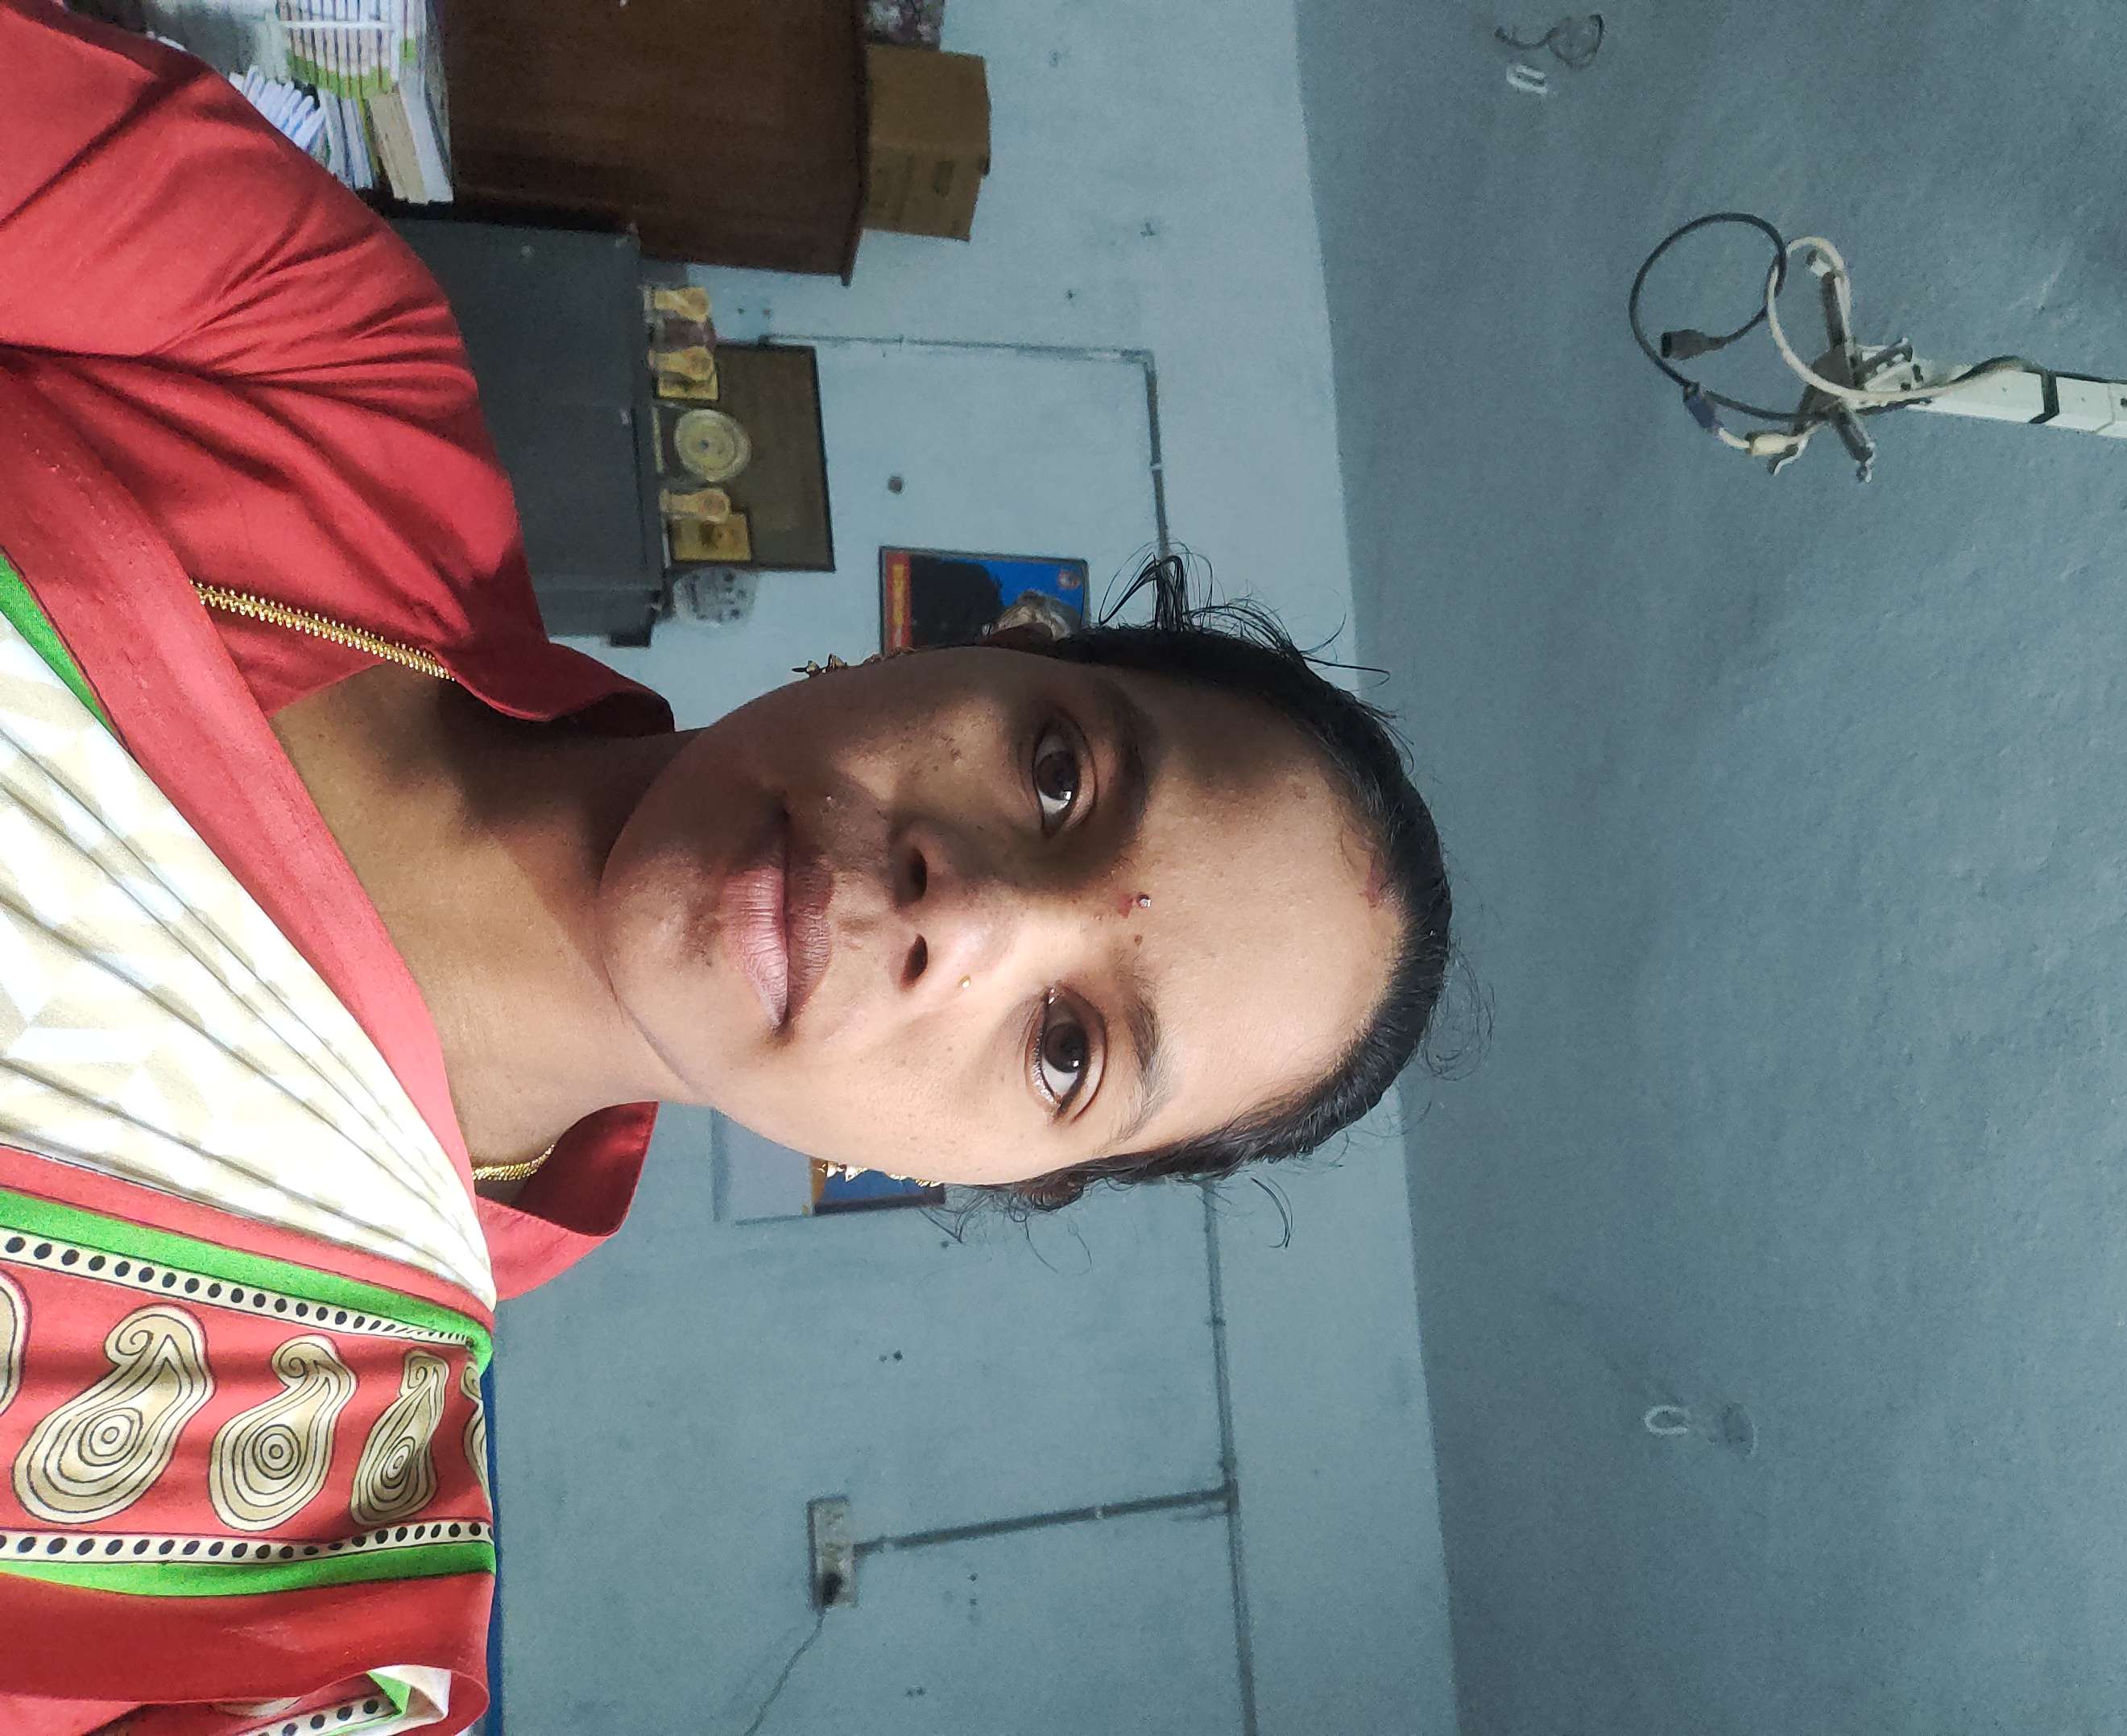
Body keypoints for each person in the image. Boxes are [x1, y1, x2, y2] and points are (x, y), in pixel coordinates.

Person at [0, 4, 1453, 1730]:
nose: (973, 914)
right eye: (1062, 773)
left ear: (984, 1179)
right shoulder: (326, 367)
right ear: (973, 651)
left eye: (1070, 1047)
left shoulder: (311, 1564)